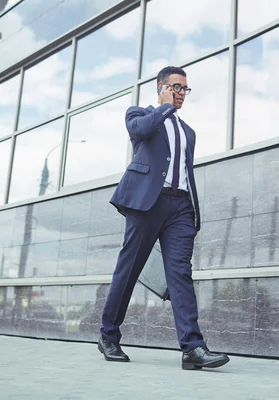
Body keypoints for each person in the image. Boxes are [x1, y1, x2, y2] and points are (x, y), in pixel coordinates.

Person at [98, 66, 230, 371]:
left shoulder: (188, 132)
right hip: (147, 203)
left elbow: (185, 171)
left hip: (180, 207)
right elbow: (138, 132)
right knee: (128, 270)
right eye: (176, 87)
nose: (182, 93)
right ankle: (108, 335)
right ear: (161, 87)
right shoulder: (141, 114)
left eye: (185, 89)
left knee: (180, 274)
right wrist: (165, 107)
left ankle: (193, 348)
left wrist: (193, 210)